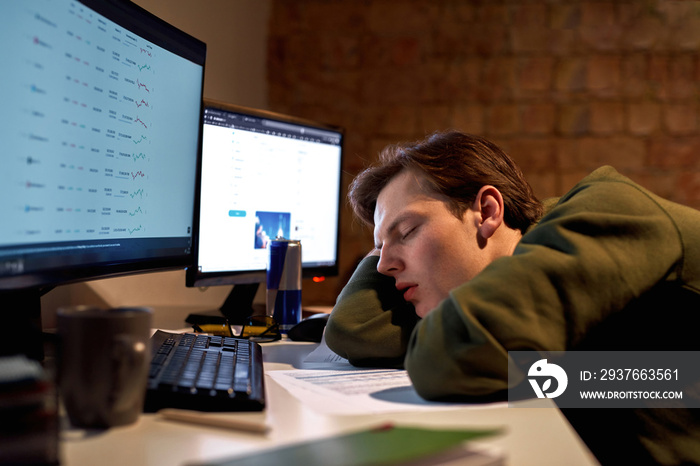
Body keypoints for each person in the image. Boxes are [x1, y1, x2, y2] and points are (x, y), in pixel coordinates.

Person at [324, 130, 700, 465]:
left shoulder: (613, 209)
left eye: (406, 231)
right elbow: (355, 329)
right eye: (379, 249)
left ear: (486, 211)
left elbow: (447, 358)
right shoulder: (493, 282)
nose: (383, 265)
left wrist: (566, 378)